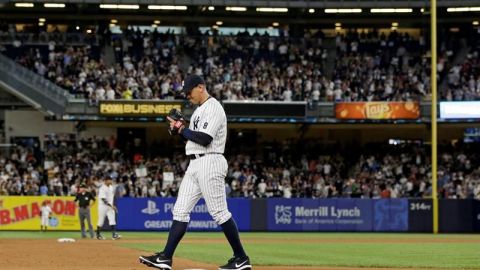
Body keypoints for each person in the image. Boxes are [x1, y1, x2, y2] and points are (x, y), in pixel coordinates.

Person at [139, 75, 251, 270]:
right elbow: (193, 139)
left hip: (210, 161)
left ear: (201, 87)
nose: (187, 96)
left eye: (188, 92)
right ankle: (166, 257)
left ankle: (241, 258)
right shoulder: (199, 111)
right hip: (195, 164)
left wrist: (181, 128)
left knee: (219, 212)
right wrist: (179, 131)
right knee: (180, 211)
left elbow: (205, 139)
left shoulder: (214, 107)